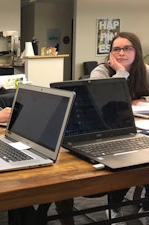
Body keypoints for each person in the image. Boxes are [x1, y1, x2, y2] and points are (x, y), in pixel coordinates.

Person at [56, 31, 149, 225]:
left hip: (137, 127)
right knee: (122, 165)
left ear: (137, 51)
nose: (121, 53)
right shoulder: (101, 71)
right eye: (116, 49)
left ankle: (145, 206)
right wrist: (121, 73)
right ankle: (113, 210)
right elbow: (104, 102)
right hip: (107, 129)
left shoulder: (145, 71)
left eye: (127, 48)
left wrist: (142, 100)